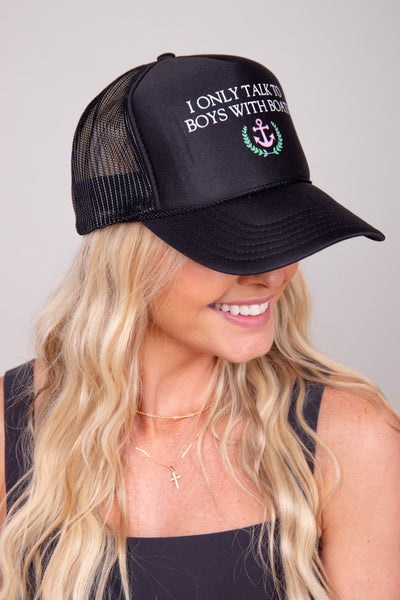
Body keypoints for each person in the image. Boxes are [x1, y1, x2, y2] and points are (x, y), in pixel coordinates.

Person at [0, 52, 399, 600]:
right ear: (131, 256)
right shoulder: (11, 428)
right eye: (232, 243)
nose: (273, 275)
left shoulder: (351, 440)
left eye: (285, 233)